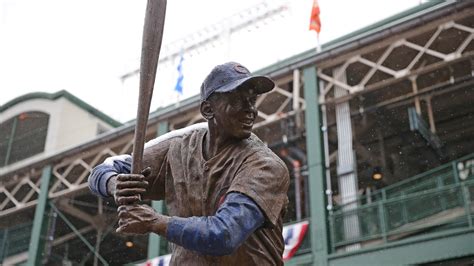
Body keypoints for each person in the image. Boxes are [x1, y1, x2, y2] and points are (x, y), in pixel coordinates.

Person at [88, 62, 290, 265]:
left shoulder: (265, 165)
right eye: (237, 100)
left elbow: (224, 235)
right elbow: (101, 171)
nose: (251, 110)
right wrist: (115, 184)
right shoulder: (178, 148)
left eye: (252, 100)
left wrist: (154, 222)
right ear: (208, 109)